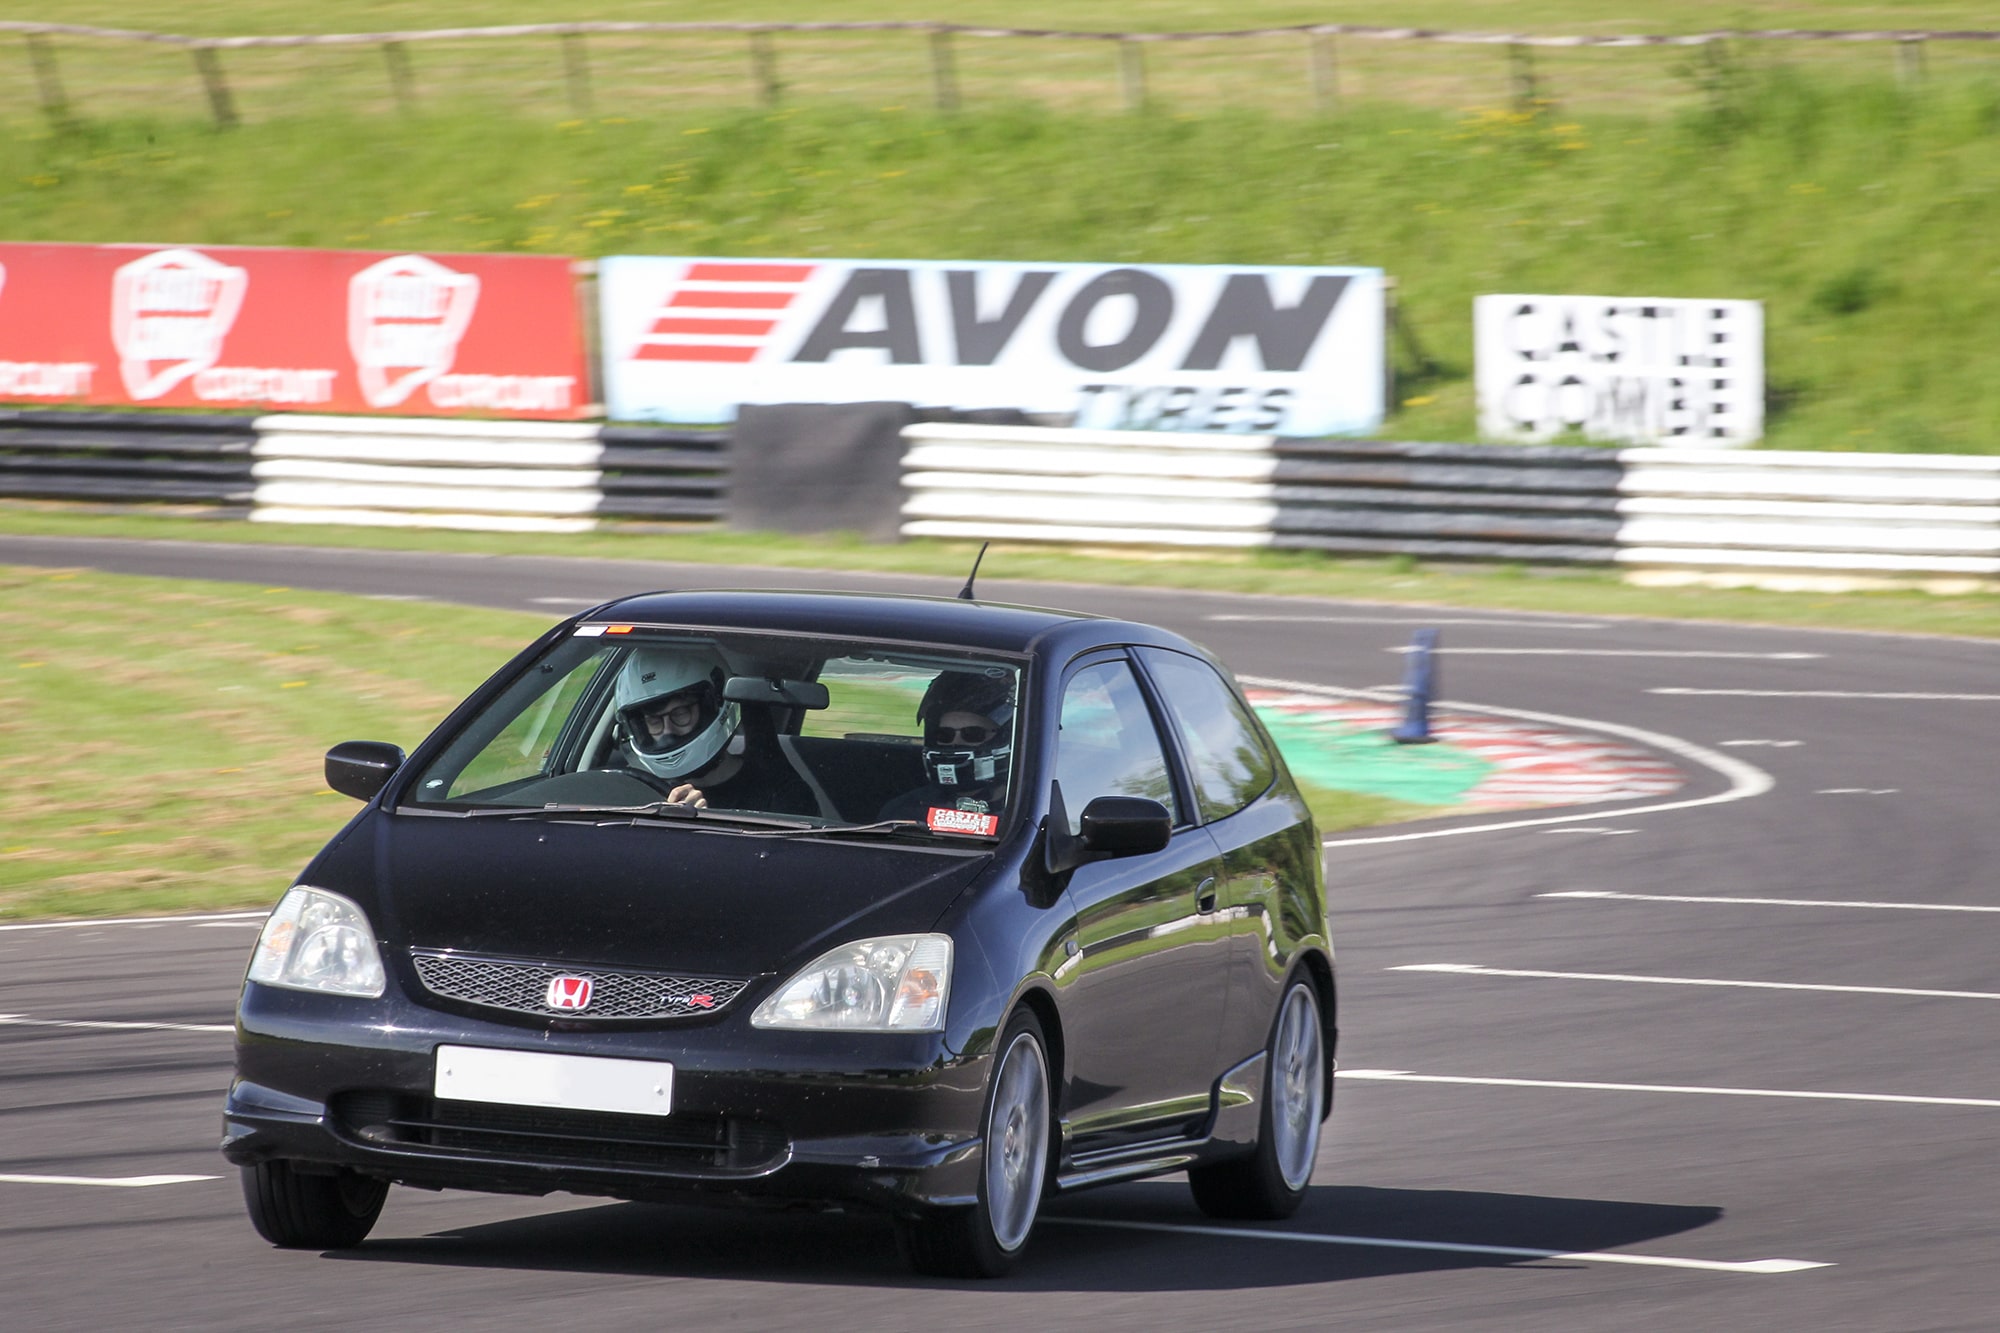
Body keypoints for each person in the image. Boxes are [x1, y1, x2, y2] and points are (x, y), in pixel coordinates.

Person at [610, 646, 818, 816]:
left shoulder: (783, 796)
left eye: (680, 713)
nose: (668, 731)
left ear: (713, 705)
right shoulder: (637, 796)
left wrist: (705, 825)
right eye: (654, 721)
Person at [878, 670, 1015, 824]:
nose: (955, 743)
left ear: (1005, 738)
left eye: (972, 734)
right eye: (944, 735)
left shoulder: (1023, 817)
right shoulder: (905, 813)